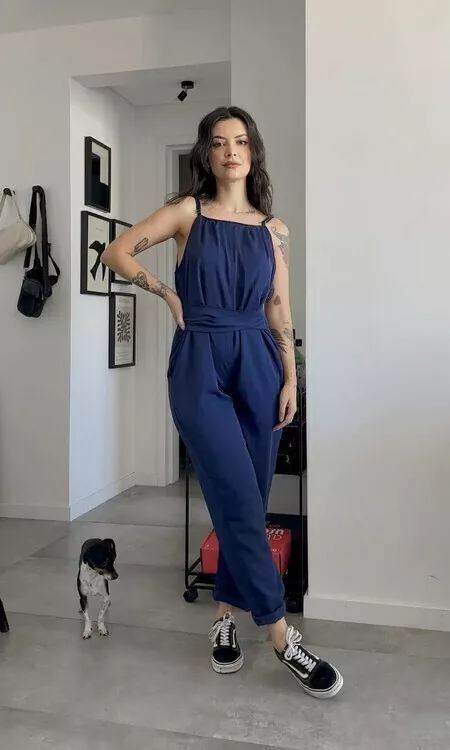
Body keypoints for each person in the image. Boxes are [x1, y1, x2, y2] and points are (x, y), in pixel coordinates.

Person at [102, 106, 343, 699]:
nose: (230, 151)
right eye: (218, 142)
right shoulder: (188, 212)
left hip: (259, 362)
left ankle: (224, 616)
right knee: (236, 497)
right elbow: (116, 251)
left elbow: (279, 308)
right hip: (200, 360)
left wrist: (291, 379)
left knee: (249, 502)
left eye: (240, 141)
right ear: (206, 154)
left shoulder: (274, 230)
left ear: (252, 152)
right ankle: (283, 637)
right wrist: (166, 293)